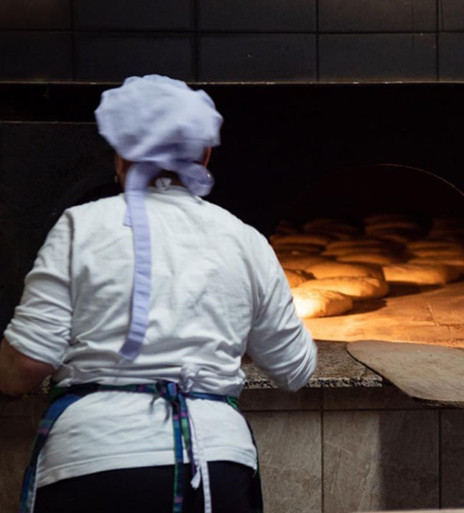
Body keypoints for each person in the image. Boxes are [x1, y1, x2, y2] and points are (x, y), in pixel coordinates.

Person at [0, 75, 317, 513]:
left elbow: (24, 366)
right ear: (205, 154)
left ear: (121, 153)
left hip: (93, 464)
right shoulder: (244, 239)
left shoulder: (81, 226)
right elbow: (295, 369)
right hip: (214, 467)